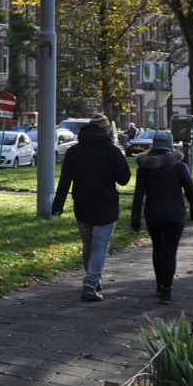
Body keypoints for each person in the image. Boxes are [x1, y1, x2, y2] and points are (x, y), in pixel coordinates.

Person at [51, 112, 131, 302]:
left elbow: (64, 182)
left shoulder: (73, 151)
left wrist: (57, 207)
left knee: (88, 244)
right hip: (105, 205)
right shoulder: (111, 150)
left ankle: (93, 278)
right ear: (106, 130)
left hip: (83, 205)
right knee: (100, 248)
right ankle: (90, 284)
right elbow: (124, 178)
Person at [130, 132, 193, 303]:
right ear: (170, 145)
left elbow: (139, 194)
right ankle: (166, 290)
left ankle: (159, 283)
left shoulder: (145, 167)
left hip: (153, 213)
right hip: (175, 213)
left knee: (157, 248)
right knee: (170, 252)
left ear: (154, 145)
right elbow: (191, 191)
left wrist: (135, 217)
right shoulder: (179, 166)